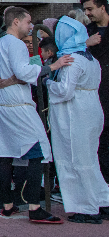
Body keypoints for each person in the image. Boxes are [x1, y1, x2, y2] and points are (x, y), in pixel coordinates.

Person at [0, 6, 62, 223]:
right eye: (28, 23)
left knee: (4, 153)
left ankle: (8, 205)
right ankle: (35, 207)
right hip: (17, 105)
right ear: (16, 21)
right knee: (37, 151)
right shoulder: (16, 44)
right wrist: (53, 66)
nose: (31, 27)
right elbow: (23, 72)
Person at [46, 13, 109, 223]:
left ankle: (86, 207)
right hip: (91, 110)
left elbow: (65, 91)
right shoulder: (90, 59)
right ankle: (102, 201)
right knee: (90, 160)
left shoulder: (72, 61)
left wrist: (48, 84)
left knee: (75, 160)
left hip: (75, 113)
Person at [81, 0, 109, 184]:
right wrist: (85, 44)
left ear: (102, 7)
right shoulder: (86, 31)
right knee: (102, 140)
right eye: (85, 10)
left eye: (90, 9)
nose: (87, 13)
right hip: (97, 92)